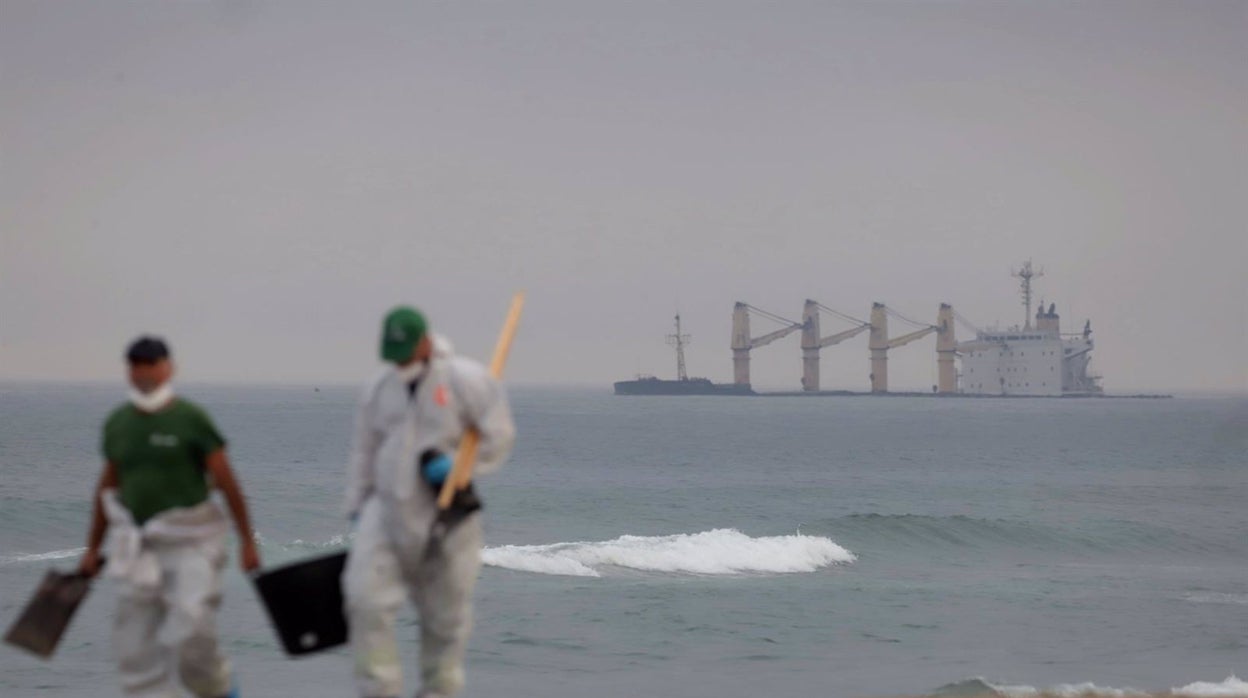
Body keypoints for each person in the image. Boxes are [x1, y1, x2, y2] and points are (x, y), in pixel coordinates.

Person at [343, 307, 516, 698]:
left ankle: (438, 692)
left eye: (406, 351)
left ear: (424, 342)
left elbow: (498, 434)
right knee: (364, 601)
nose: (399, 360)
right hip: (385, 511)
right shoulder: (379, 388)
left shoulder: (465, 379)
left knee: (445, 620)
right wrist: (356, 506)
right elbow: (364, 451)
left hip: (447, 511)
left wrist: (462, 466)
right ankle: (378, 691)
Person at [79, 336, 260, 698]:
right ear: (129, 371)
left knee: (192, 628)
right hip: (138, 545)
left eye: (151, 363)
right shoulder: (119, 424)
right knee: (135, 648)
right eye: (136, 365)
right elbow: (107, 487)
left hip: (191, 541)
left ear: (168, 368)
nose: (143, 371)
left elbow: (226, 480)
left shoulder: (190, 419)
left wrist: (246, 540)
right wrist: (92, 547)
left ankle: (223, 689)